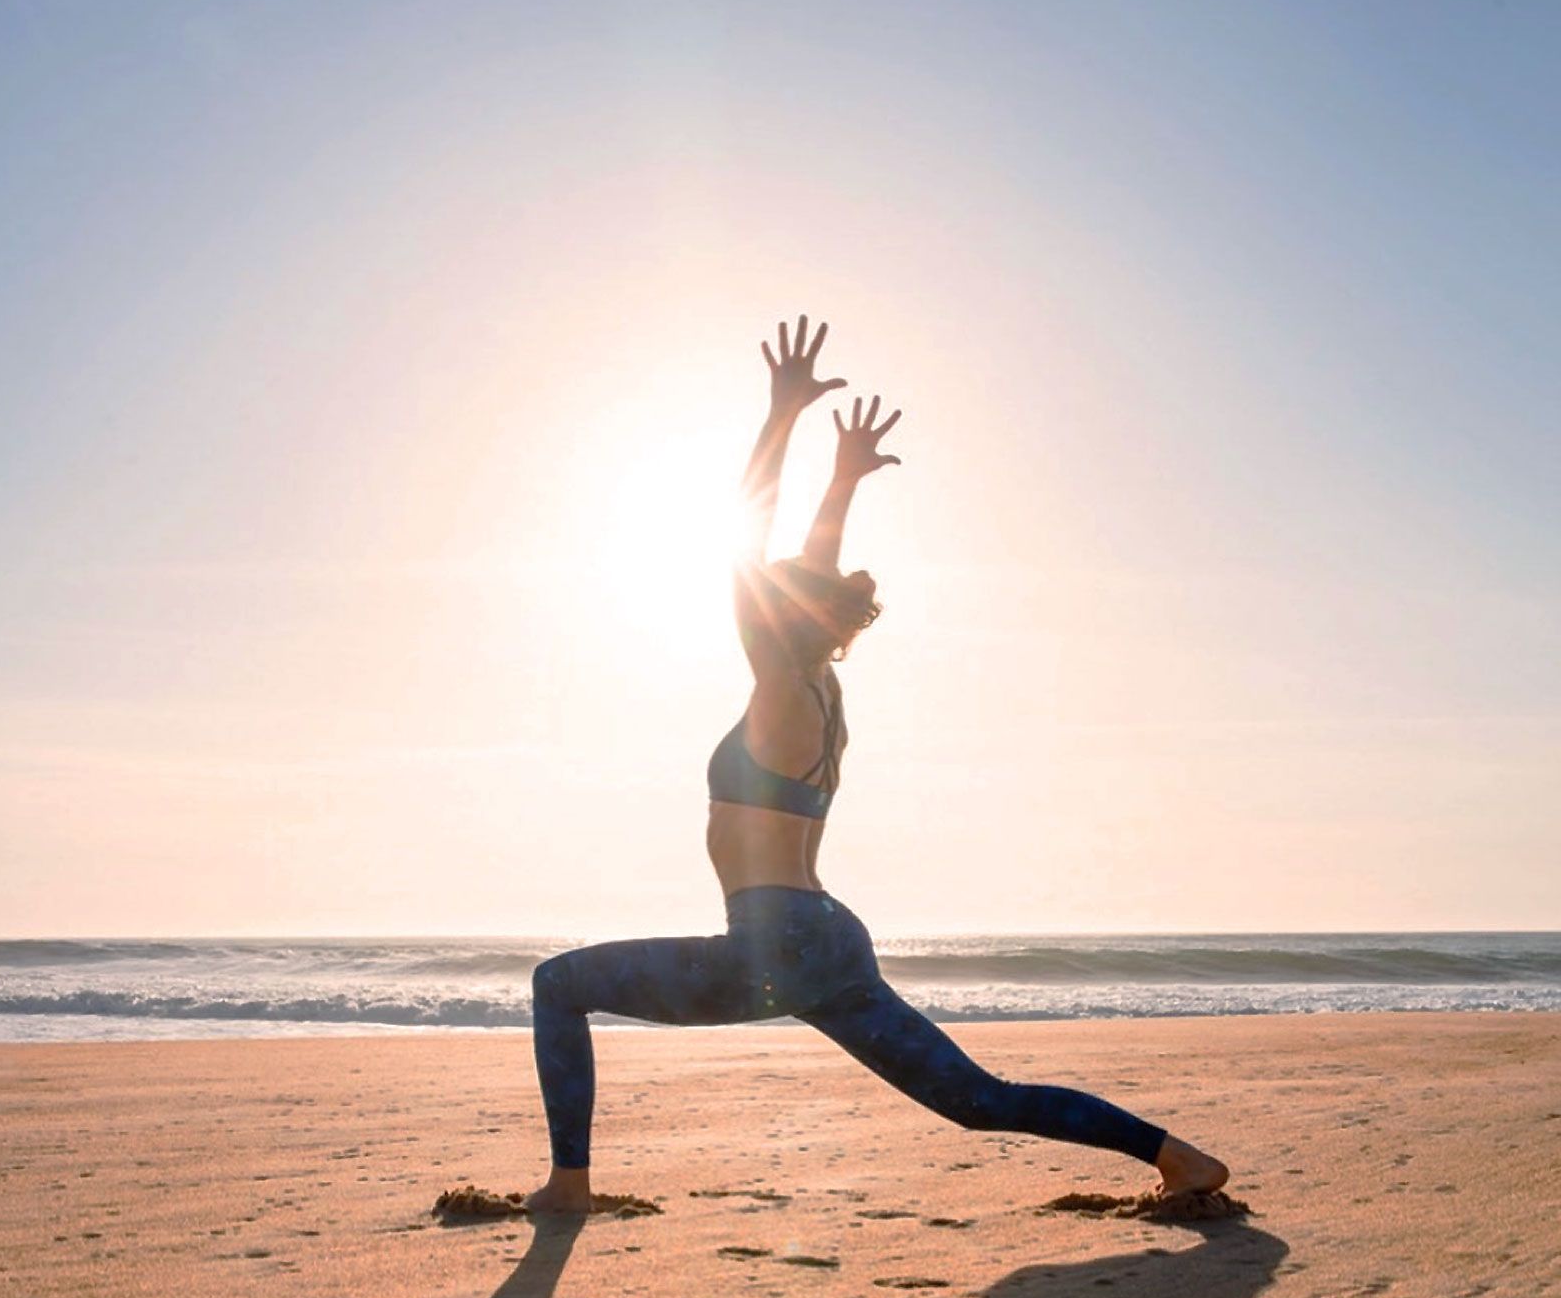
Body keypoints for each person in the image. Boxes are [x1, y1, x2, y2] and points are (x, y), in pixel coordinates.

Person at [524, 316, 1229, 1215]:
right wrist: (845, 481)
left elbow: (743, 542)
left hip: (770, 942)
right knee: (979, 1102)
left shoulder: (782, 685)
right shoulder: (815, 691)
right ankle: (1175, 1157)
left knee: (559, 985)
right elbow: (802, 573)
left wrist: (780, 420)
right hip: (822, 934)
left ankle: (568, 1187)